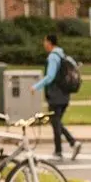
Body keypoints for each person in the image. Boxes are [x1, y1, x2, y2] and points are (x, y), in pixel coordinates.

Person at [32, 32, 81, 161]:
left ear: (49, 42)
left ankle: (62, 149)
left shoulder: (53, 57)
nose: (43, 44)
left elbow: (50, 76)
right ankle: (71, 144)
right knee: (56, 122)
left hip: (55, 95)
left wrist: (36, 86)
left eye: (45, 41)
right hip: (65, 95)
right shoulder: (63, 55)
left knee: (55, 122)